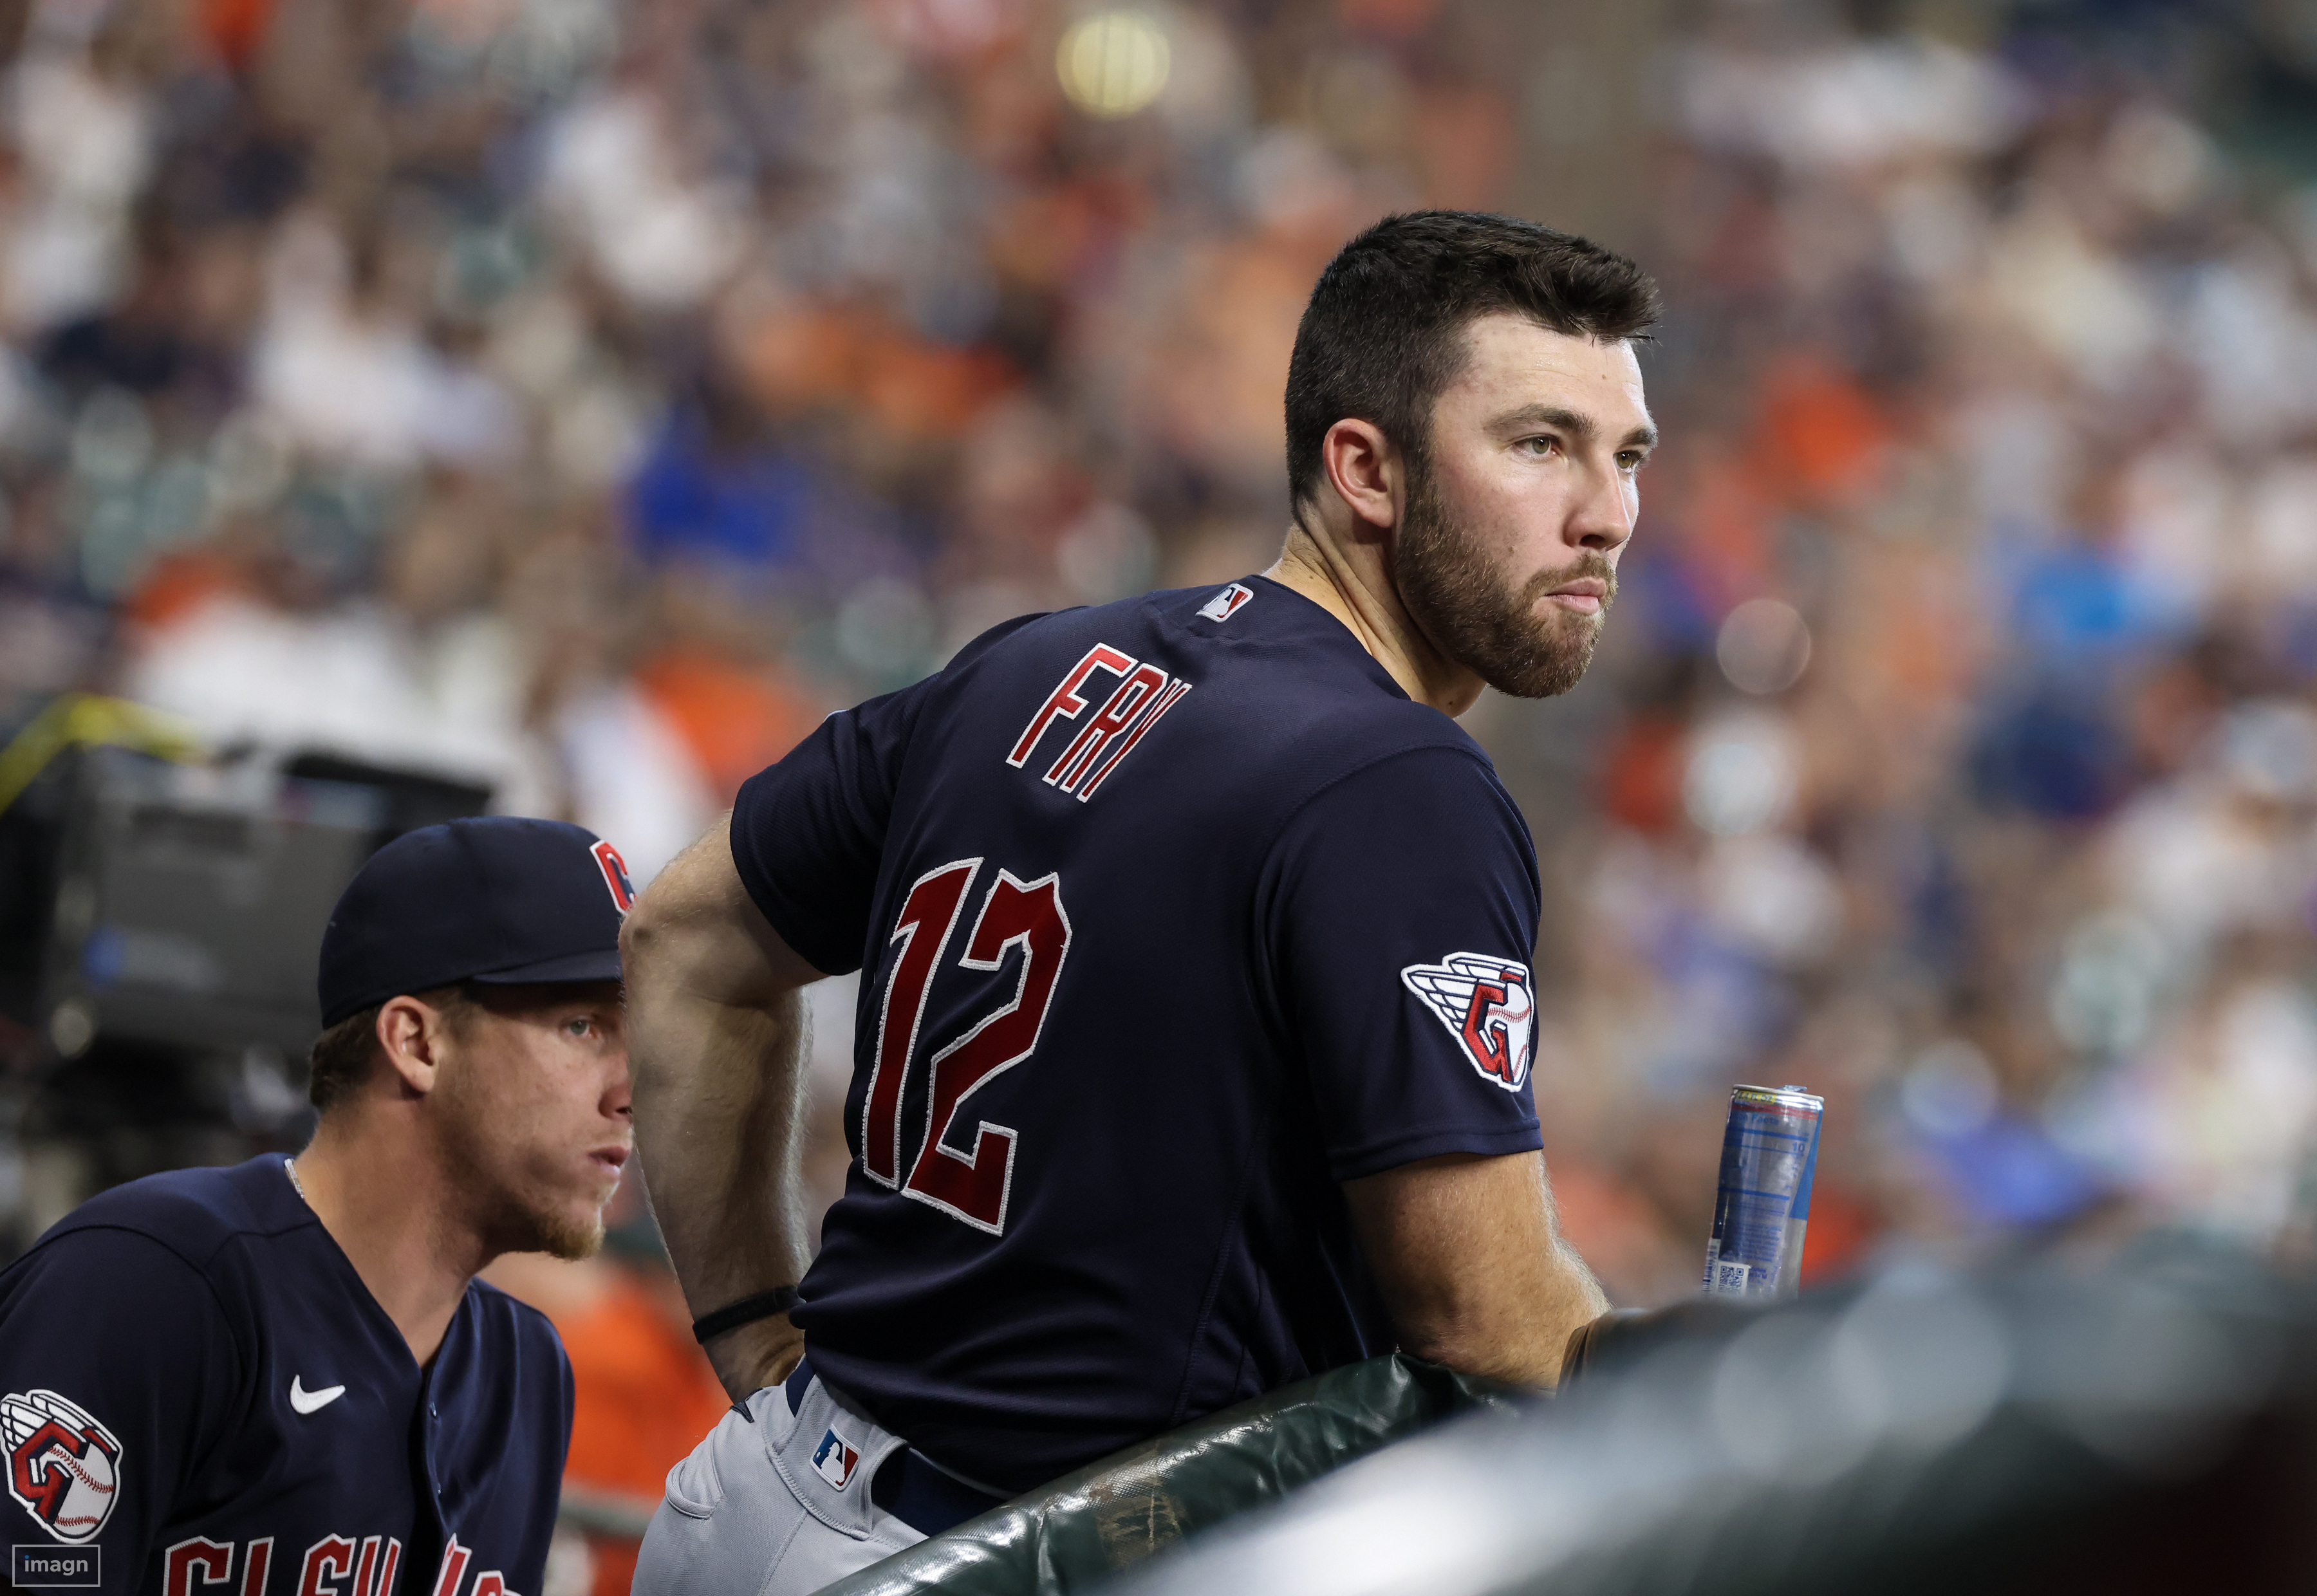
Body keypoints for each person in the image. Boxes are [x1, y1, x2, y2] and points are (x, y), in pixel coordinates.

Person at [623, 210, 1662, 1591]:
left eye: (1627, 455)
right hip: (1027, 1559)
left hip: (764, 1503)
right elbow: (1484, 1311)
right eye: (1541, 445)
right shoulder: (1401, 781)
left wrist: (761, 1337)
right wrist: (1679, 1376)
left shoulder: (1036, 658)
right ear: (1367, 468)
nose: (1607, 514)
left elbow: (682, 936)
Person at [0, 817, 637, 1595]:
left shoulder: (526, 1369)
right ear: (417, 1042)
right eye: (583, 1025)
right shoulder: (151, 1282)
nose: (631, 1091)